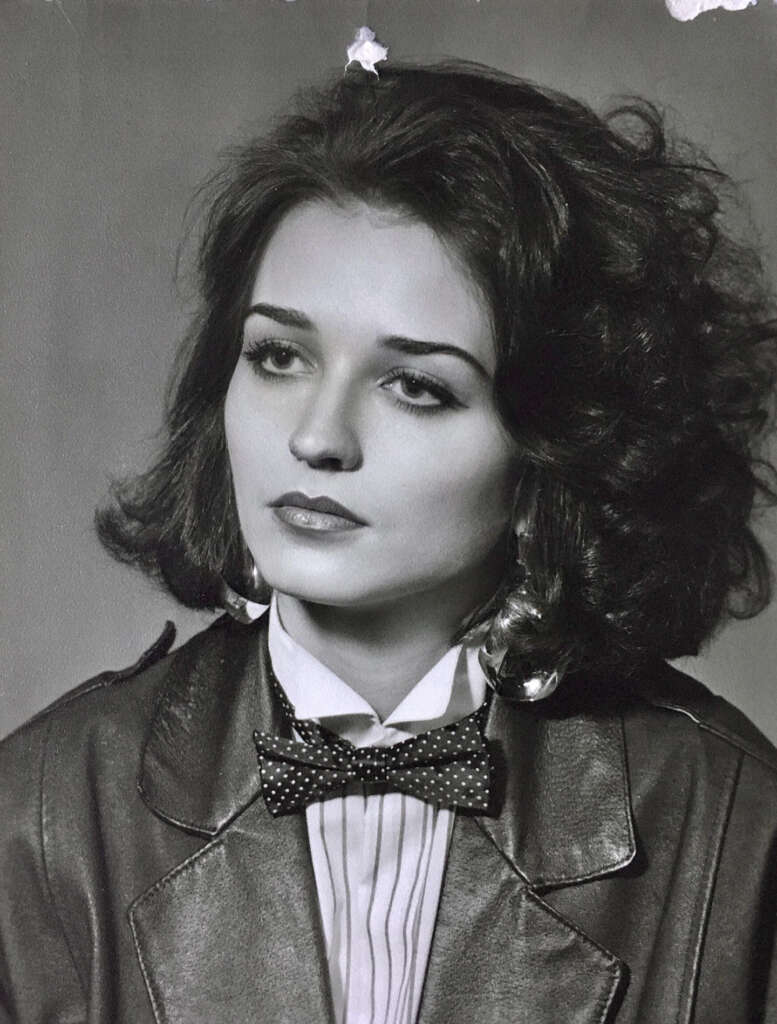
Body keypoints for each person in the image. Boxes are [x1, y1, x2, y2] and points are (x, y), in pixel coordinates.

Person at [1, 50, 777, 1024]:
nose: (317, 437)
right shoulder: (35, 816)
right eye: (279, 355)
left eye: (416, 385)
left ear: (561, 450)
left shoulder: (736, 828)